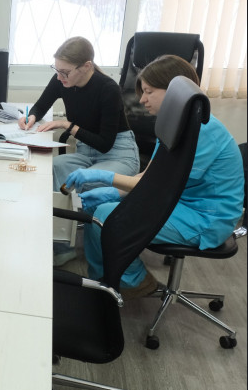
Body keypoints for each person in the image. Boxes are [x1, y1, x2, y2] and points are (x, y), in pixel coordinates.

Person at [64, 55, 244, 298]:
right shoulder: (175, 123)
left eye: (149, 91)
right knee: (98, 209)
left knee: (105, 216)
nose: (142, 99)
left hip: (206, 218)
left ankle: (132, 281)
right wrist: (112, 192)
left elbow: (153, 185)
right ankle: (104, 279)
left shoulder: (202, 131)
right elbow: (149, 176)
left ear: (174, 92)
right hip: (179, 201)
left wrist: (104, 178)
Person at [20, 36, 140, 192]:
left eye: (65, 72)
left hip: (118, 154)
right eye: (56, 70)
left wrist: (67, 125)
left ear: (86, 66)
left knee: (84, 181)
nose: (59, 77)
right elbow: (41, 106)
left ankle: (79, 208)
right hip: (85, 152)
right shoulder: (61, 80)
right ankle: (62, 208)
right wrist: (32, 117)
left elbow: (104, 144)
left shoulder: (108, 89)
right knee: (53, 167)